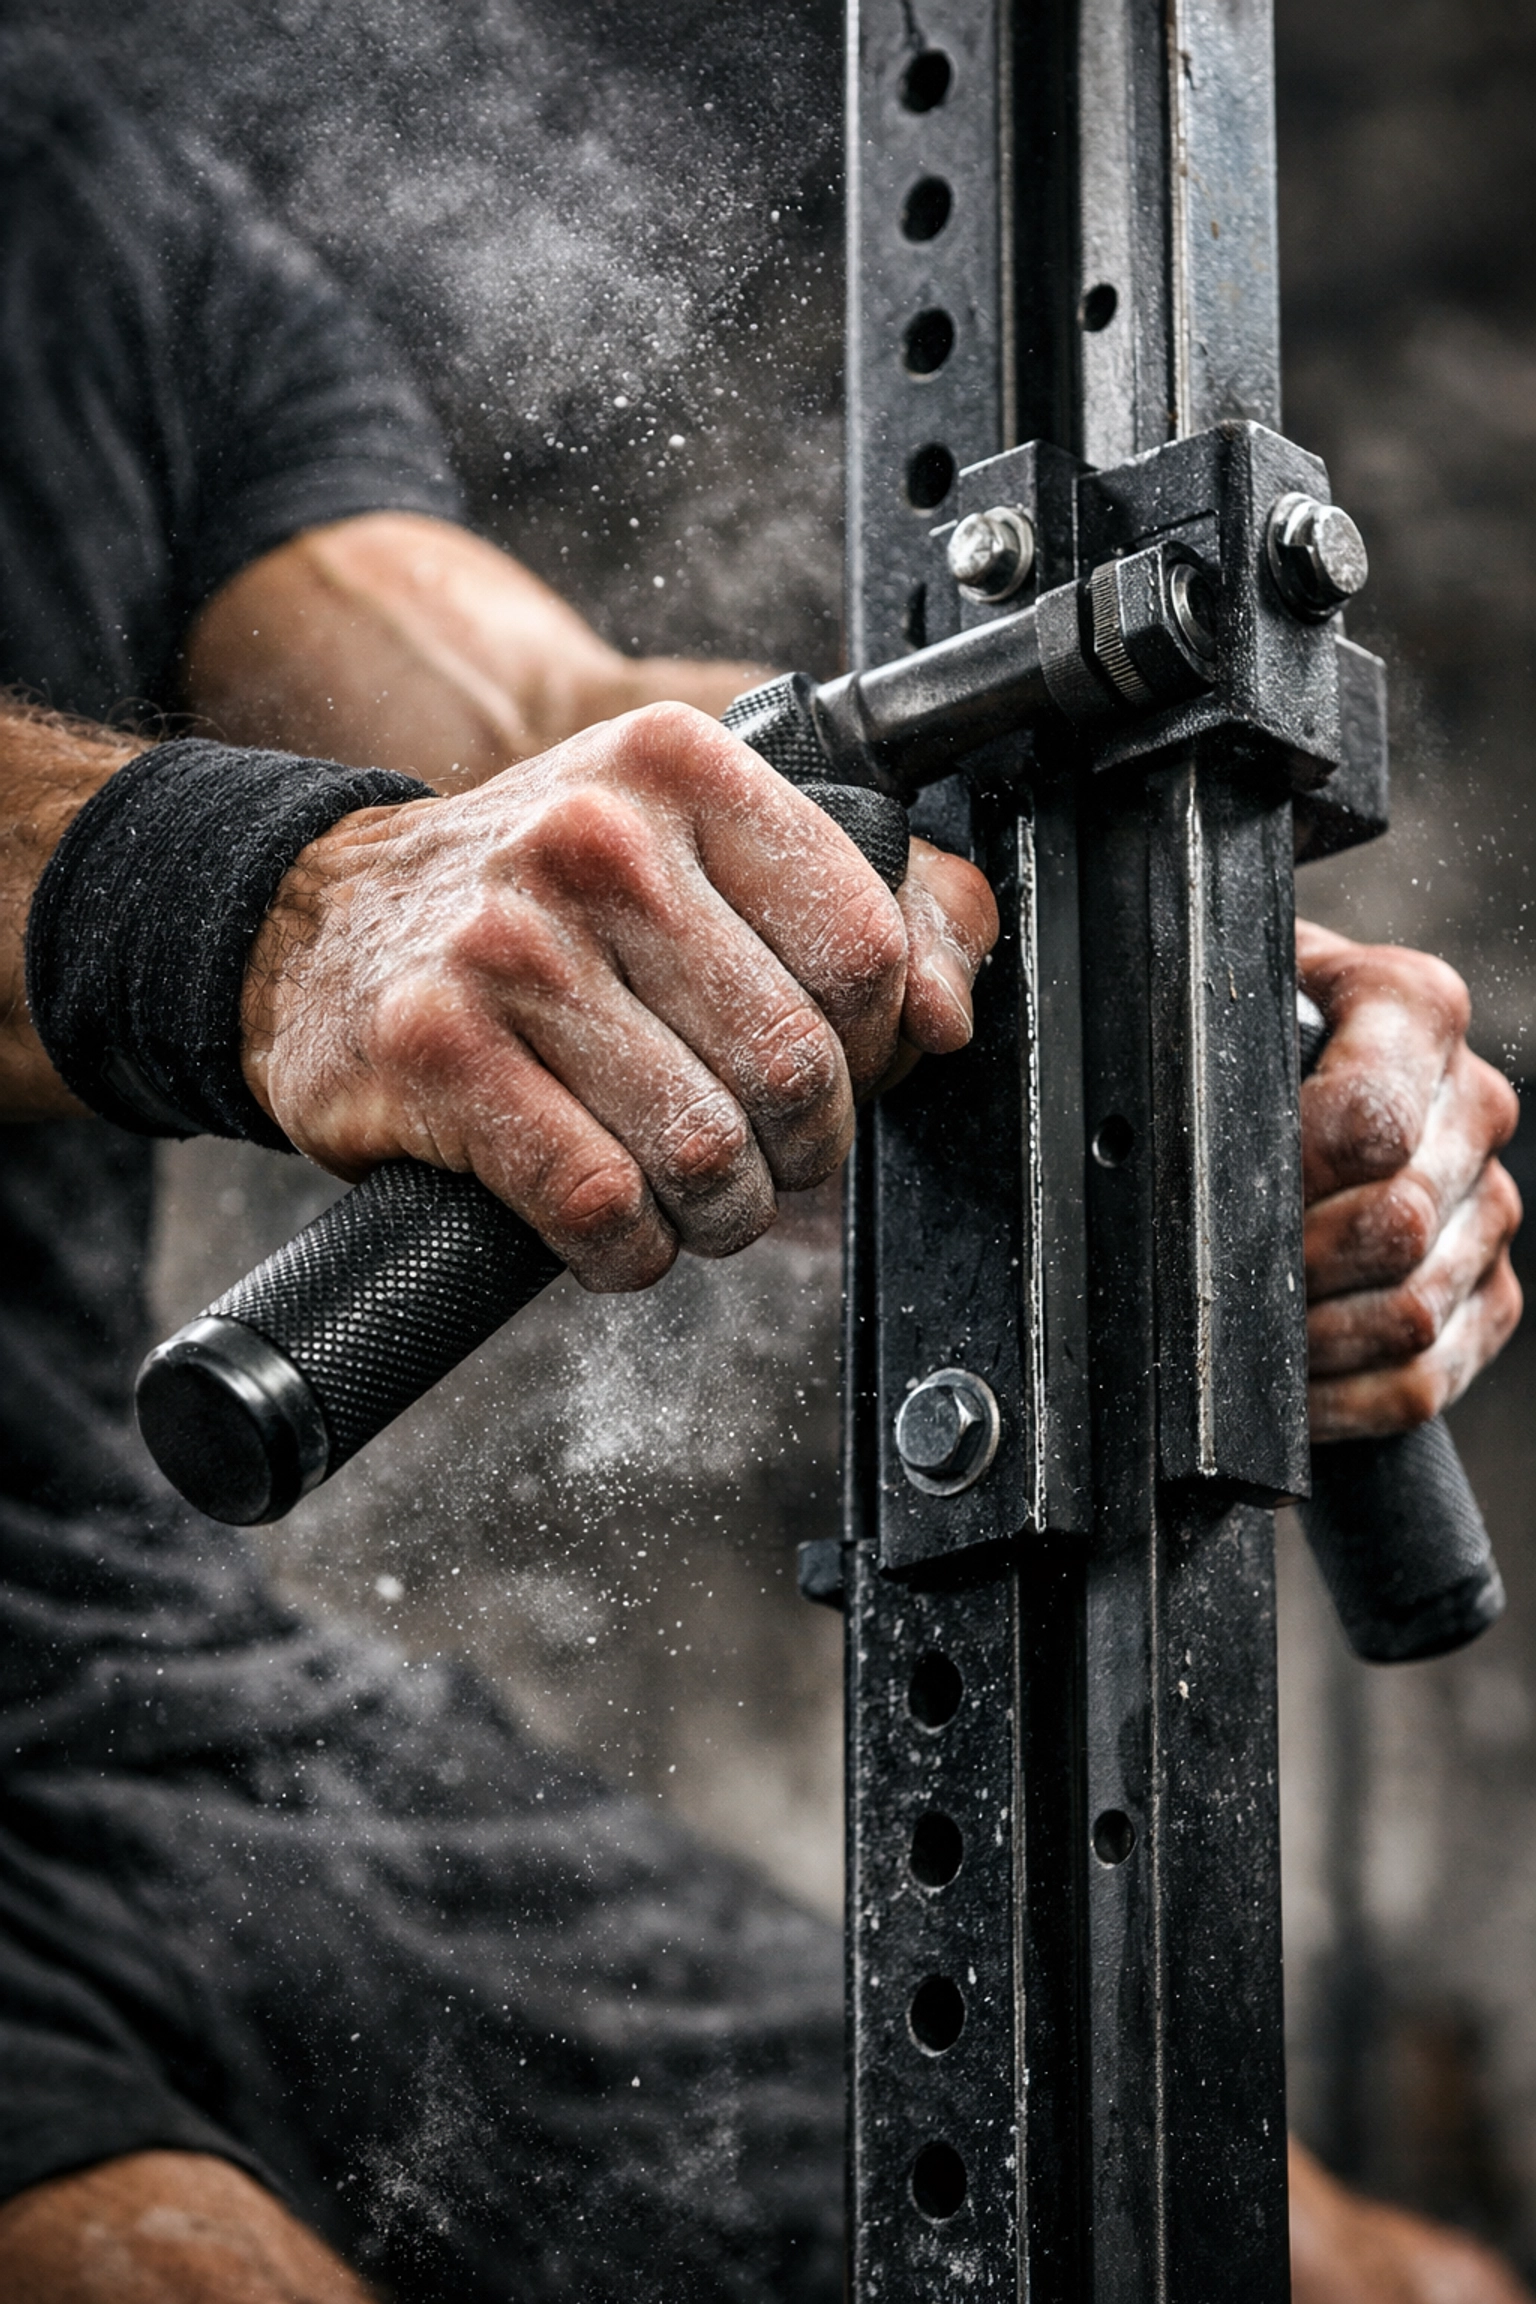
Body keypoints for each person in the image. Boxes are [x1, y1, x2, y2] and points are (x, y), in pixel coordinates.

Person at [0, 40, 1524, 2304]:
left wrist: (1155, 991)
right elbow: (348, 883)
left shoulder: (67, 188)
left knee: (1343, 2282)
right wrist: (289, 915)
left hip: (109, 1663)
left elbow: (540, 710)